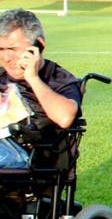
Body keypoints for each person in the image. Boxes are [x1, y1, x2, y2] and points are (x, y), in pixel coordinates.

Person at [0, 9, 80, 168]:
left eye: (13, 49)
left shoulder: (58, 78)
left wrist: (33, 78)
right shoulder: (1, 75)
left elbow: (65, 118)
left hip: (31, 159)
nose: (6, 58)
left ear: (39, 46)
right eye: (1, 50)